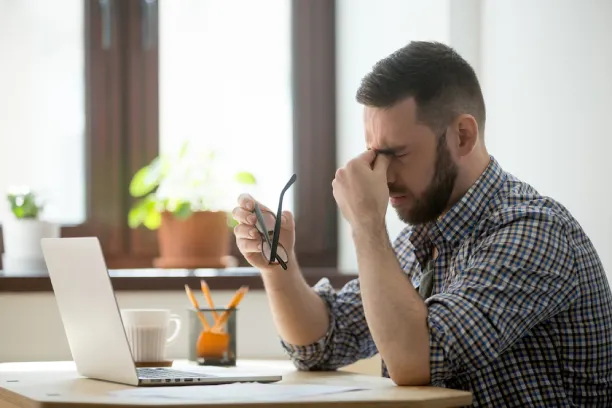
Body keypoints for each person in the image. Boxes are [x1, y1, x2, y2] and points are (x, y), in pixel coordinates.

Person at [231, 41, 612, 407]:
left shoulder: (532, 232)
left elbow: (419, 362)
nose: (381, 174)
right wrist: (276, 264)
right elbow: (320, 344)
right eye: (374, 154)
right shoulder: (423, 236)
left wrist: (366, 223)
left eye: (396, 153)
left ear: (462, 136)